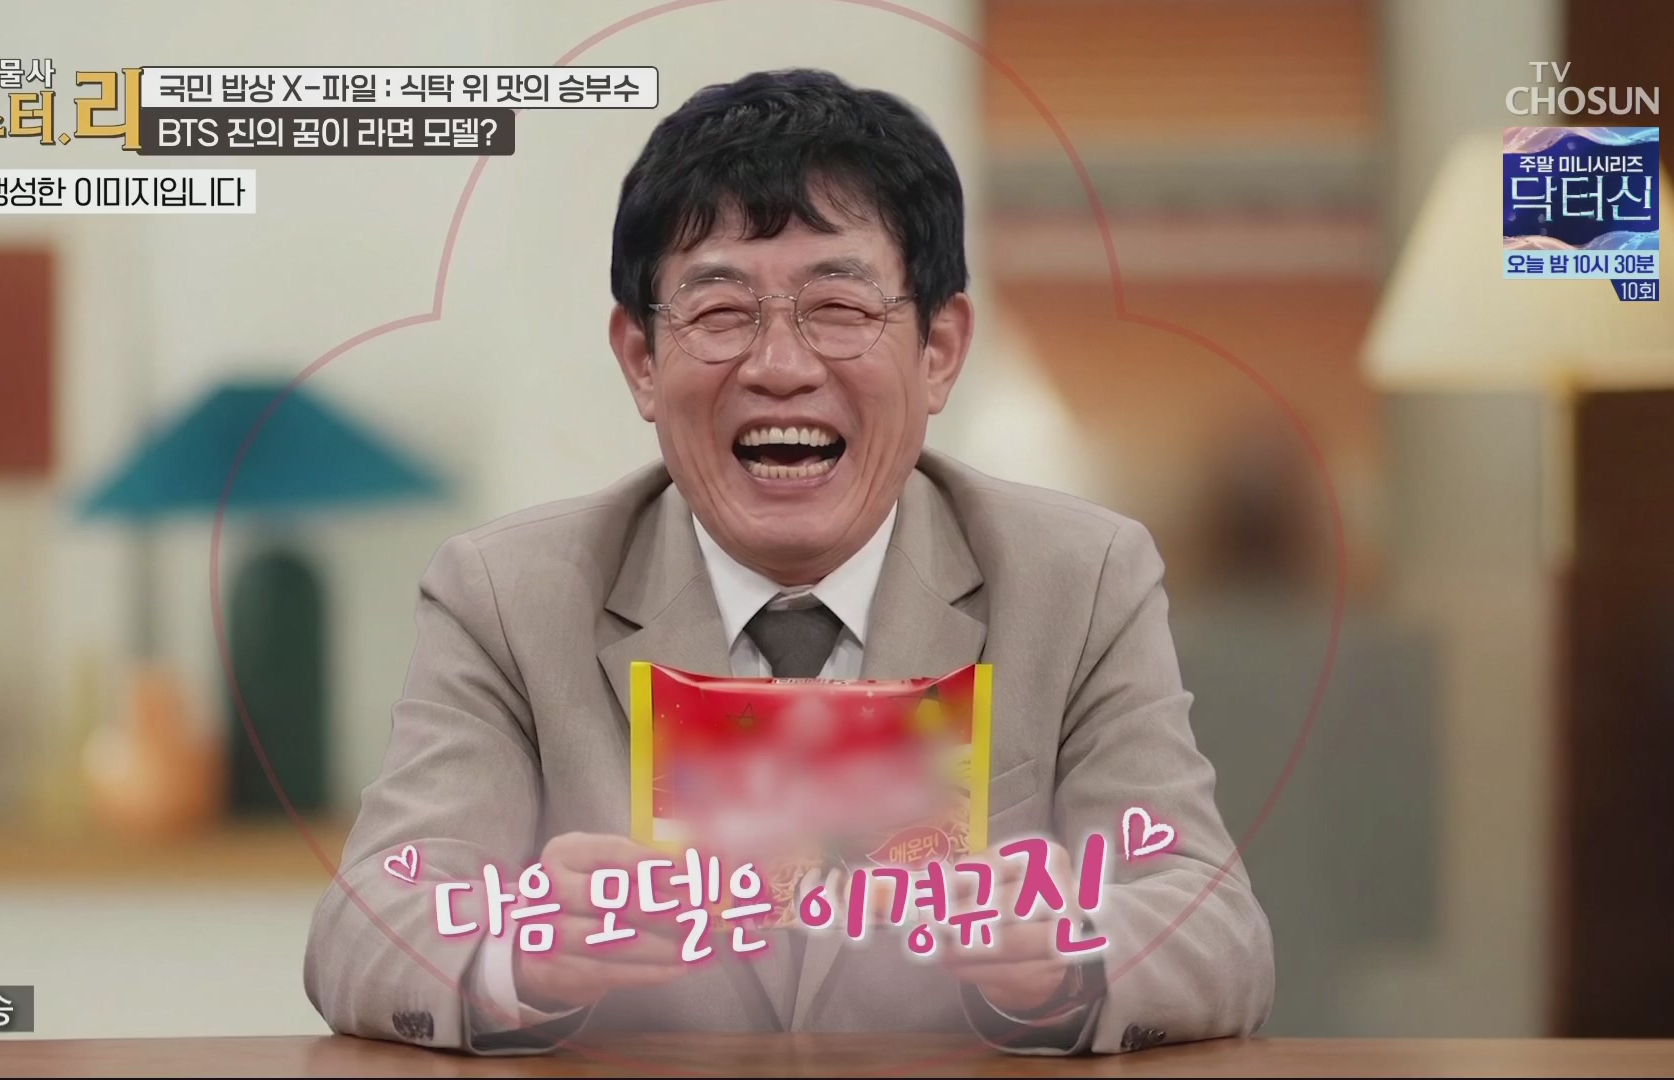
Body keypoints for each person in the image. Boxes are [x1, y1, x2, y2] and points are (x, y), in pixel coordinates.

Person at [304, 68, 1273, 1056]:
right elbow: (367, 923)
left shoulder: (1081, 579)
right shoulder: (507, 598)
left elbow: (1215, 932)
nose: (780, 367)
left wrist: (1067, 957)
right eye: (721, 314)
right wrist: (514, 955)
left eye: (839, 309)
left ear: (939, 349)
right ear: (641, 359)